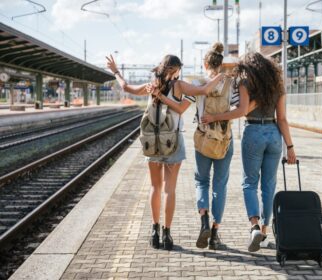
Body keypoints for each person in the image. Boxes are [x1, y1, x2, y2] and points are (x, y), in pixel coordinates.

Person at [106, 54, 224, 250]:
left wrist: (116, 71)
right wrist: (221, 76)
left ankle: (154, 232)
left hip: (152, 142)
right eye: (178, 70)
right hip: (173, 142)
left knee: (155, 187)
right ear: (175, 69)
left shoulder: (151, 85)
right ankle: (167, 235)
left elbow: (126, 87)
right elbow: (203, 90)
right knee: (169, 190)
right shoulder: (179, 86)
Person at [201, 52, 297, 252]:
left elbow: (242, 110)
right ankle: (264, 231)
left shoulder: (245, 81)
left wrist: (216, 117)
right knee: (269, 185)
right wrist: (290, 147)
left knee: (249, 183)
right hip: (274, 134)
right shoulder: (277, 85)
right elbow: (282, 119)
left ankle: (254, 226)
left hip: (253, 131)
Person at [154, 43, 245, 250]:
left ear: (205, 64)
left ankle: (203, 218)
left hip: (202, 139)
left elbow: (184, 105)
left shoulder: (197, 82)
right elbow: (239, 109)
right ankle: (214, 233)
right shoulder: (231, 83)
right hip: (223, 140)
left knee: (201, 182)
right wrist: (220, 116)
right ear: (221, 64)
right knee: (219, 186)